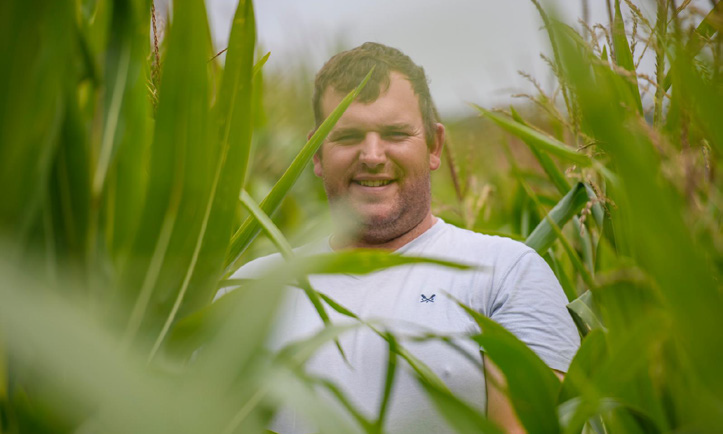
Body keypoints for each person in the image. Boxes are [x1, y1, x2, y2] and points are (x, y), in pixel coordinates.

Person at [224, 42, 580, 433]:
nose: (372, 155)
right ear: (316, 153)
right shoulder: (252, 288)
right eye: (347, 136)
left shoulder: (505, 274)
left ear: (434, 145)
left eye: (395, 133)